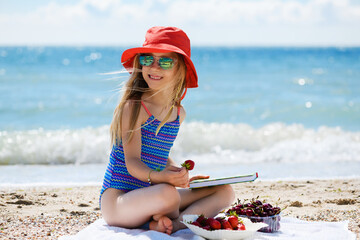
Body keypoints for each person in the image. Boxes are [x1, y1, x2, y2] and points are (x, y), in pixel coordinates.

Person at [100, 26, 235, 235]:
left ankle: (175, 224)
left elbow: (160, 154)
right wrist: (163, 178)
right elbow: (133, 162)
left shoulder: (178, 113)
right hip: (119, 200)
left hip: (152, 193)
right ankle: (158, 220)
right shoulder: (134, 107)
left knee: (224, 191)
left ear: (180, 69)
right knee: (169, 194)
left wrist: (180, 175)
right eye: (148, 59)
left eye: (164, 61)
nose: (154, 67)